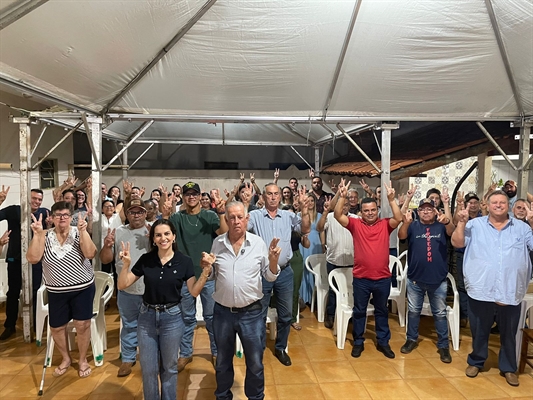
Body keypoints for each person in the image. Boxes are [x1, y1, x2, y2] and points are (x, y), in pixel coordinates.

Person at [118, 219, 211, 400]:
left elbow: (193, 291)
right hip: (146, 319)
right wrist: (126, 265)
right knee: (149, 369)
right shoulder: (146, 260)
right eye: (158, 235)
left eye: (167, 234)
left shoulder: (184, 261)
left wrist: (206, 272)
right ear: (153, 239)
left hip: (172, 318)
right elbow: (123, 284)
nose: (163, 238)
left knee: (169, 368)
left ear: (173, 236)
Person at [451, 190, 533, 387]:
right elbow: (457, 242)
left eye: (502, 202)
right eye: (494, 202)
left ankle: (508, 368)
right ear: (486, 205)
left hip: (510, 289)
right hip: (481, 288)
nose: (498, 205)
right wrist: (461, 222)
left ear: (509, 206)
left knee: (509, 333)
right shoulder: (474, 225)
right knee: (479, 330)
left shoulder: (522, 228)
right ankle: (476, 361)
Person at [204, 201, 281, 400]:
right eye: (232, 218)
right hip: (222, 312)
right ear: (226, 220)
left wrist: (273, 260)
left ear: (247, 219)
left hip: (252, 313)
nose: (236, 221)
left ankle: (255, 397)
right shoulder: (217, 243)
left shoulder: (258, 244)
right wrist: (207, 268)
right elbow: (213, 275)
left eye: (240, 217)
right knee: (222, 361)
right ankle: (223, 396)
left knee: (255, 362)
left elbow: (270, 276)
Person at [161, 181, 228, 371]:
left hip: (207, 276)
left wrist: (222, 213)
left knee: (211, 317)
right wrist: (165, 215)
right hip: (185, 278)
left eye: (195, 194)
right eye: (188, 194)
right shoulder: (177, 218)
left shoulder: (209, 216)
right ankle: (186, 353)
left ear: (200, 196)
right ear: (183, 197)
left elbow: (223, 234)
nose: (191, 197)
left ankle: (216, 352)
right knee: (186, 318)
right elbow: (163, 234)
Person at [27, 201, 97, 378]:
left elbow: (90, 254)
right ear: (52, 218)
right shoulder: (44, 235)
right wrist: (36, 235)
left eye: (66, 215)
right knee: (57, 327)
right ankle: (66, 358)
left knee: (82, 325)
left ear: (71, 217)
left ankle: (82, 360)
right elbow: (33, 258)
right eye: (58, 216)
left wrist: (83, 231)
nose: (62, 219)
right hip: (56, 291)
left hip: (82, 288)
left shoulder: (78, 232)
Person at [334, 179, 402, 359]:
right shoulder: (355, 225)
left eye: (373, 210)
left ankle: (383, 342)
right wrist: (342, 197)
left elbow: (399, 218)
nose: (370, 213)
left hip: (382, 278)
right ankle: (358, 342)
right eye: (366, 211)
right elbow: (337, 215)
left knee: (382, 311)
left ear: (377, 210)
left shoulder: (385, 225)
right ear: (361, 213)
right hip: (361, 278)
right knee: (359, 311)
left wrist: (392, 199)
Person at [247, 183, 310, 366]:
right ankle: (257, 348)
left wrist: (304, 209)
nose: (273, 197)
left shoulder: (289, 216)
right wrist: (243, 203)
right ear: (264, 197)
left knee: (285, 314)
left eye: (276, 194)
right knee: (259, 313)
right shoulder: (256, 216)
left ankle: (281, 347)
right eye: (269, 194)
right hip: (263, 271)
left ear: (280, 197)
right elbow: (241, 227)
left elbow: (305, 229)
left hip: (284, 271)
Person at [398, 196, 455, 363]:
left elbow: (452, 233)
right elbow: (401, 236)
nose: (426, 211)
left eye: (429, 209)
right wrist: (406, 222)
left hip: (438, 280)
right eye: (423, 209)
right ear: (418, 211)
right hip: (415, 279)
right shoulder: (413, 226)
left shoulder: (441, 225)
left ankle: (443, 346)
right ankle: (411, 339)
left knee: (439, 314)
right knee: (414, 311)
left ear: (435, 211)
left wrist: (446, 222)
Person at [100, 198, 150, 377]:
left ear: (146, 213)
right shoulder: (118, 231)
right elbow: (105, 259)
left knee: (152, 326)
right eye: (132, 212)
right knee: (129, 325)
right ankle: (128, 358)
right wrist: (107, 246)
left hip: (150, 290)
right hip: (126, 290)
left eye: (140, 212)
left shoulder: (153, 230)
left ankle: (149, 358)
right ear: (126, 214)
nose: (136, 215)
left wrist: (154, 239)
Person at [0, 186, 49, 340]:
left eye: (39, 199)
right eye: (34, 198)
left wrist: (49, 225)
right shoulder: (13, 210)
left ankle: (35, 325)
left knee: (35, 292)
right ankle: (9, 326)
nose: (37, 201)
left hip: (36, 260)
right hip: (15, 259)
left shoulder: (44, 213)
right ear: (26, 197)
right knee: (13, 293)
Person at [316, 190, 355, 329]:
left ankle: (348, 314)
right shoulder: (331, 217)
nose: (344, 207)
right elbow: (319, 228)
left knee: (350, 289)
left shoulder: (355, 218)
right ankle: (331, 315)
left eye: (346, 205)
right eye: (341, 204)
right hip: (334, 260)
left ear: (349, 206)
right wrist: (325, 213)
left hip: (351, 261)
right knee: (334, 290)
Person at [452, 191, 482, 327]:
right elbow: (453, 222)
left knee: (478, 285)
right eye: (470, 202)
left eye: (476, 202)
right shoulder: (462, 215)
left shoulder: (484, 218)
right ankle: (464, 315)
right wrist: (459, 205)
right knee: (462, 286)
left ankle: (477, 316)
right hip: (462, 254)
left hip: (479, 256)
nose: (473, 205)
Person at [281, 204, 310, 331]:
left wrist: (305, 237)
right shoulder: (279, 226)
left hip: (296, 258)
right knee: (279, 290)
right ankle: (279, 316)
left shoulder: (298, 228)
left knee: (294, 289)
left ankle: (292, 318)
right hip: (280, 258)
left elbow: (307, 245)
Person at [298, 193, 323, 305]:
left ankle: (315, 298)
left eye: (312, 200)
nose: (310, 203)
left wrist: (323, 246)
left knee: (316, 270)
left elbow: (322, 232)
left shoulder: (320, 216)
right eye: (307, 201)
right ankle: (304, 297)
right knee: (304, 270)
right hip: (303, 244)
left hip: (316, 245)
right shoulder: (299, 215)